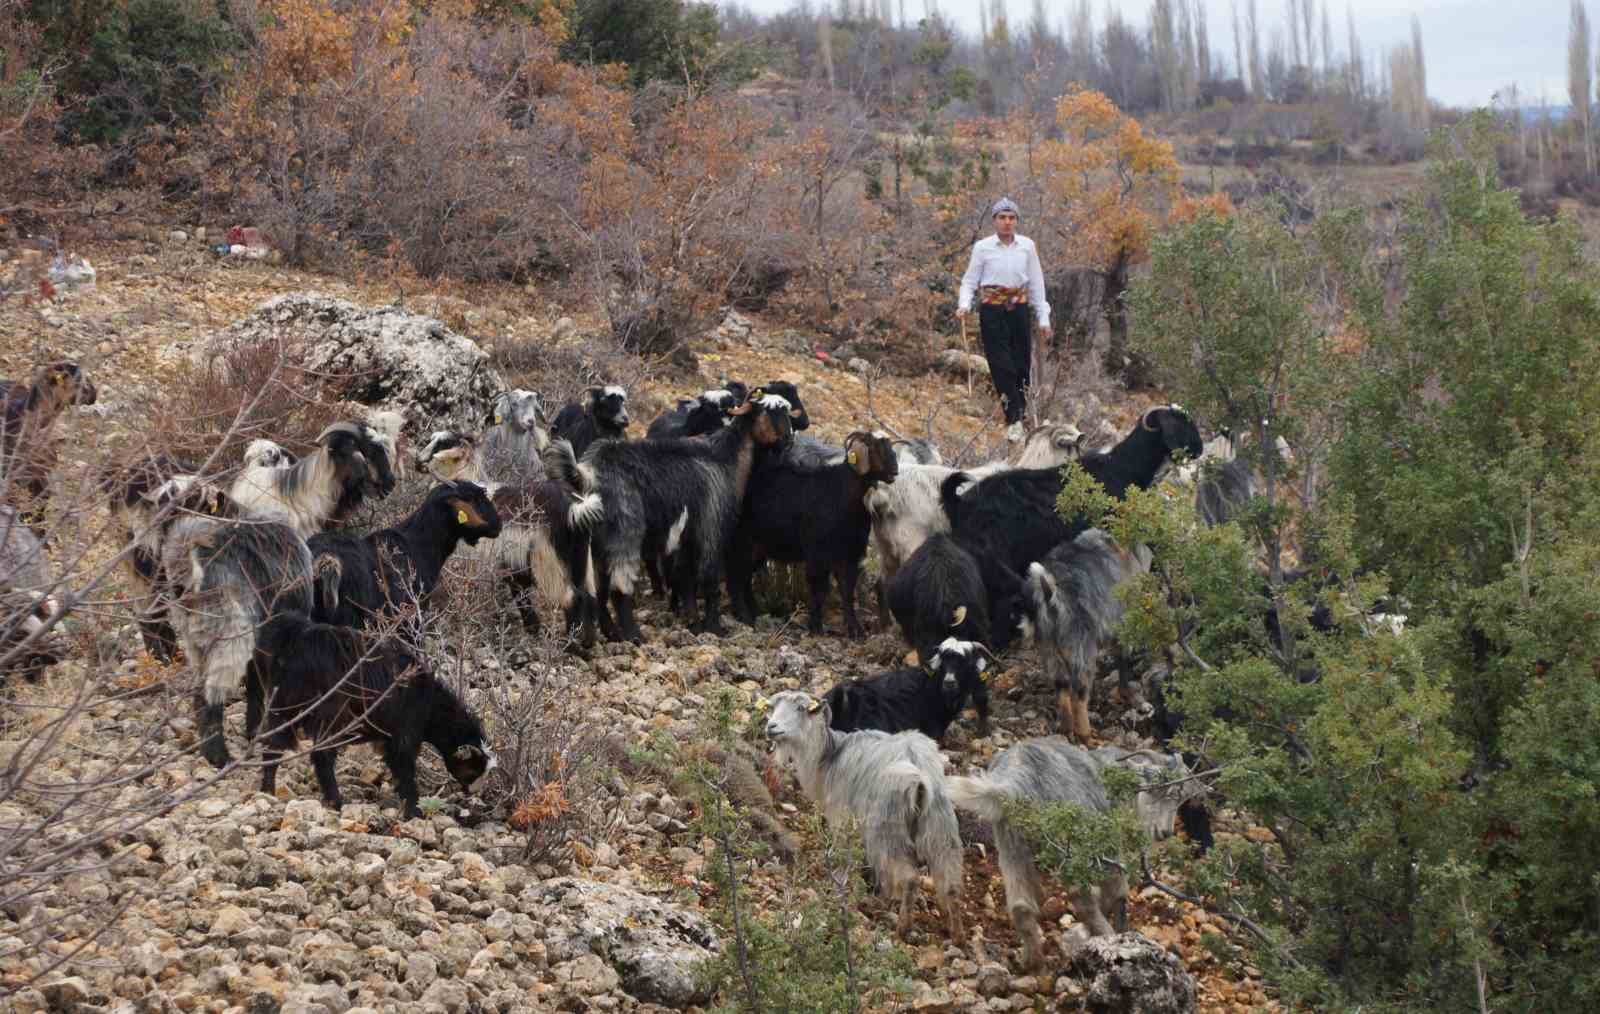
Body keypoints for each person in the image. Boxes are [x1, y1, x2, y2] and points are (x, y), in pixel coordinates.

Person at [956, 197, 1052, 443]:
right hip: (992, 310)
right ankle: (1014, 419)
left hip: (1019, 309)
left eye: (1011, 218)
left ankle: (1024, 413)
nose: (1007, 222)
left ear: (1016, 221)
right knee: (1001, 365)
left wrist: (1043, 318)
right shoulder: (983, 247)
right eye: (1002, 218)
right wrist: (964, 304)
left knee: (1021, 364)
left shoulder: (1027, 246)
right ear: (994, 221)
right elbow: (969, 280)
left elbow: (1036, 282)